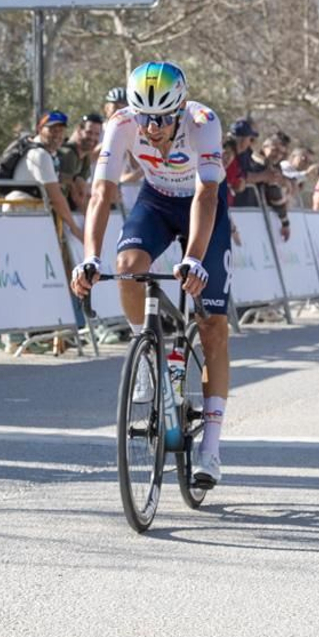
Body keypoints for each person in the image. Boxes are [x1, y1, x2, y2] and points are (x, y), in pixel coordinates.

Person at [71, 61, 235, 489]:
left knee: (213, 325)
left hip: (204, 206)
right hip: (157, 202)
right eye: (145, 116)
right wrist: (90, 257)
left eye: (162, 118)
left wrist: (195, 257)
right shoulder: (122, 123)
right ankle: (146, 348)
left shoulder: (203, 123)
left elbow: (208, 193)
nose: (153, 127)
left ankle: (211, 448)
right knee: (127, 269)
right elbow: (103, 193)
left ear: (179, 108)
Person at [1, 111, 81, 243]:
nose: (57, 135)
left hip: (29, 214)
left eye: (61, 130)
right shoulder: (40, 154)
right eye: (52, 130)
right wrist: (74, 228)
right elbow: (56, 197)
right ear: (39, 129)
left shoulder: (47, 153)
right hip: (22, 214)